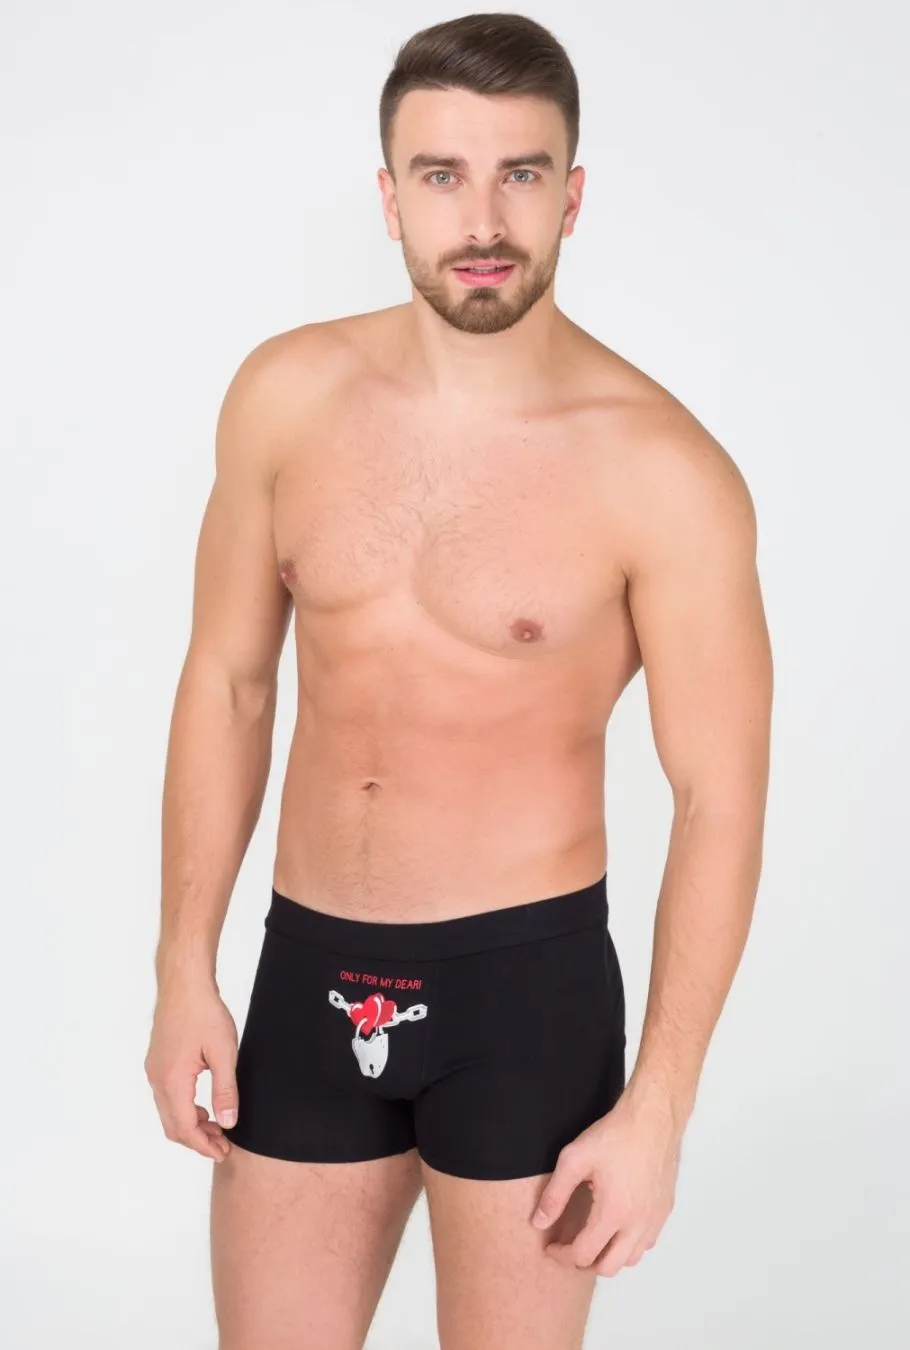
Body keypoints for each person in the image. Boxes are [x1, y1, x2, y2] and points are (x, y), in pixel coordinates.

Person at [144, 11, 773, 1349]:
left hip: (524, 998)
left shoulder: (663, 471)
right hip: (307, 969)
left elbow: (717, 798)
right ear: (389, 197)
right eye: (441, 175)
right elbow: (229, 681)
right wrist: (181, 967)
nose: (482, 218)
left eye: (519, 174)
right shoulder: (287, 395)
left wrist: (659, 1106)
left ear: (571, 196)